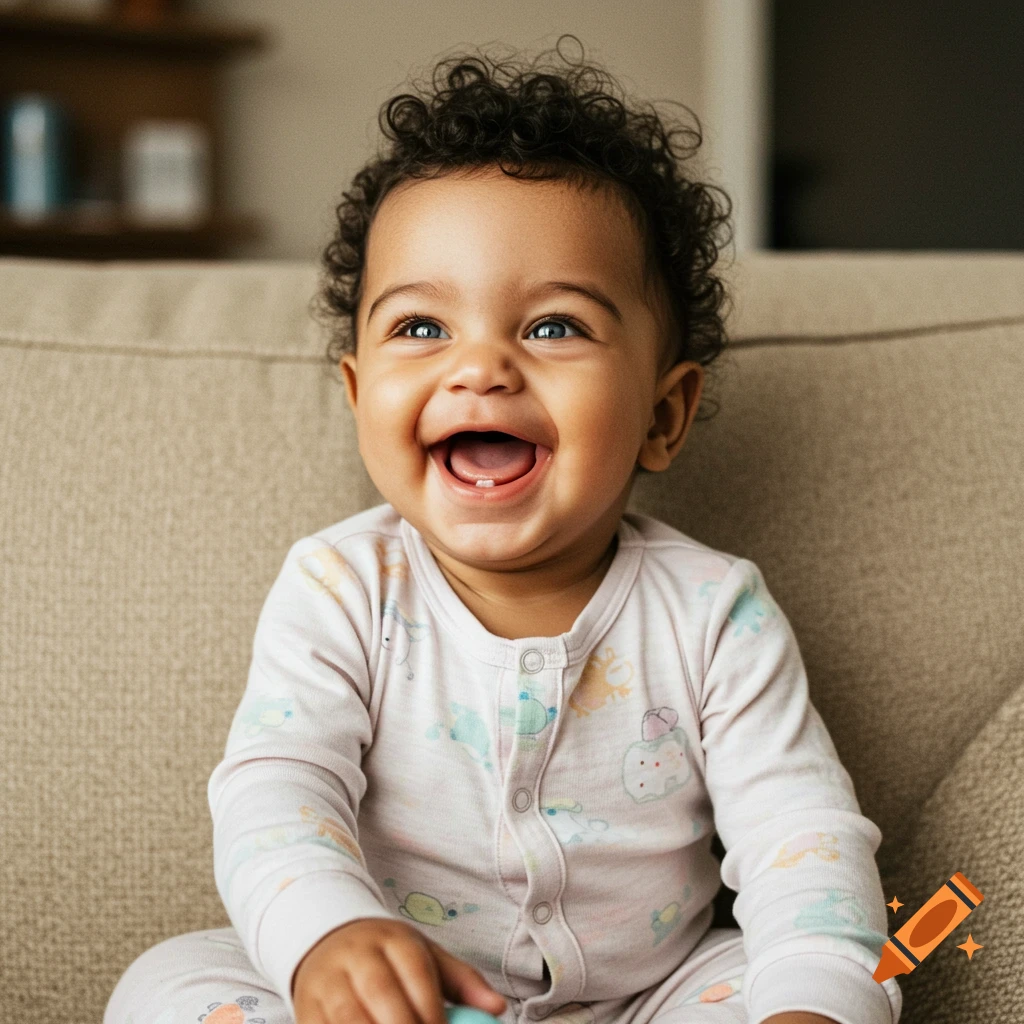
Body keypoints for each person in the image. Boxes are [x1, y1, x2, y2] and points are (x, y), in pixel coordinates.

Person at [105, 35, 901, 1024]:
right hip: (410, 1005)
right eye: (420, 327)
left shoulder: (711, 612)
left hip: (646, 997)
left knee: (769, 978)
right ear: (359, 399)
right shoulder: (340, 587)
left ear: (663, 414)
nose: (479, 367)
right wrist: (325, 935)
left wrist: (814, 1003)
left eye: (553, 326)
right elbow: (276, 788)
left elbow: (804, 840)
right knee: (168, 985)